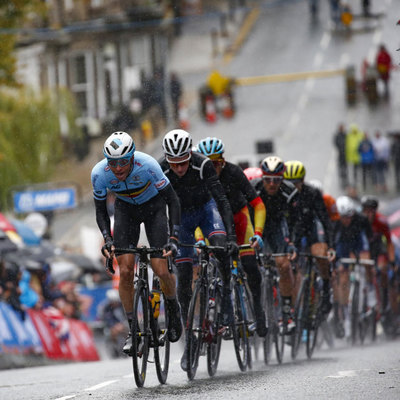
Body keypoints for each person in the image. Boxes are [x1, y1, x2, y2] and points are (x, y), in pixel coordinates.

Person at [91, 131, 182, 355]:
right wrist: (108, 238)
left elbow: (172, 199)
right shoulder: (99, 174)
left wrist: (174, 237)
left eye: (123, 162)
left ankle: (172, 305)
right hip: (125, 211)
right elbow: (101, 211)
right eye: (113, 163)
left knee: (161, 268)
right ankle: (133, 330)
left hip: (154, 207)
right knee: (124, 269)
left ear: (132, 158)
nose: (118, 168)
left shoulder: (148, 164)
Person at [159, 129, 237, 371]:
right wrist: (165, 238)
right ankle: (189, 340)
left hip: (206, 210)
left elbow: (222, 200)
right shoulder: (161, 169)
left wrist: (231, 236)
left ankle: (225, 307)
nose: (179, 169)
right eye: (174, 164)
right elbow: (159, 210)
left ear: (190, 154)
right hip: (181, 219)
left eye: (183, 162)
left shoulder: (203, 165)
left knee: (221, 248)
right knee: (183, 277)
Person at [196, 137, 267, 337]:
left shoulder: (234, 172)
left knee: (250, 265)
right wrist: (200, 239)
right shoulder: (198, 176)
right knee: (219, 266)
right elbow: (195, 212)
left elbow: (258, 205)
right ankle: (222, 314)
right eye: (209, 165)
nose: (214, 169)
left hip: (239, 218)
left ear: (223, 161)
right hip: (213, 221)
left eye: (217, 164)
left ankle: (259, 313)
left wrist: (258, 234)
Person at [284, 160, 336, 317]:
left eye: (297, 183)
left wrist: (331, 245)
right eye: (290, 182)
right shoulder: (283, 193)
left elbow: (325, 220)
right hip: (293, 229)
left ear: (303, 180)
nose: (294, 186)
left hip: (311, 227)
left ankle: (326, 288)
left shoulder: (312, 193)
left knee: (320, 254)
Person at [256, 156, 298, 333]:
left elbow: (295, 221)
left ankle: (286, 312)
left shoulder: (289, 191)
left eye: (276, 180)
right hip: (260, 226)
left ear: (282, 179)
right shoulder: (255, 189)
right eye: (268, 180)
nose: (272, 184)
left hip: (279, 226)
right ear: (262, 178)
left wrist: (292, 243)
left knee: (284, 264)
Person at [332, 196, 373, 338]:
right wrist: (339, 263)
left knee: (366, 264)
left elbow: (368, 238)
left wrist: (365, 258)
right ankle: (346, 315)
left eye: (349, 217)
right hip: (343, 245)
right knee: (342, 277)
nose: (347, 220)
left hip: (358, 242)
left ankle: (369, 293)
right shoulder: (335, 222)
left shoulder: (361, 220)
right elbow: (334, 245)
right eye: (344, 217)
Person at [361, 195, 398, 328]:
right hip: (365, 250)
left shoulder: (381, 221)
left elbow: (389, 243)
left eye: (372, 211)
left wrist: (392, 261)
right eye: (366, 210)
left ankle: (385, 300)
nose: (369, 214)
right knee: (366, 270)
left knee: (382, 270)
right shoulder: (359, 221)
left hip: (378, 249)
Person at [345, 123, 364, 188]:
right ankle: (355, 181)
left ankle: (359, 181)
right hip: (352, 157)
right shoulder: (349, 136)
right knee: (354, 170)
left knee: (359, 170)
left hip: (359, 156)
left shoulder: (359, 135)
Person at [333, 123, 348, 189]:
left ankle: (345, 179)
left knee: (345, 167)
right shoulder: (337, 135)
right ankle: (342, 180)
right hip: (340, 154)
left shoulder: (345, 135)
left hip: (345, 154)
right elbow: (336, 143)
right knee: (341, 167)